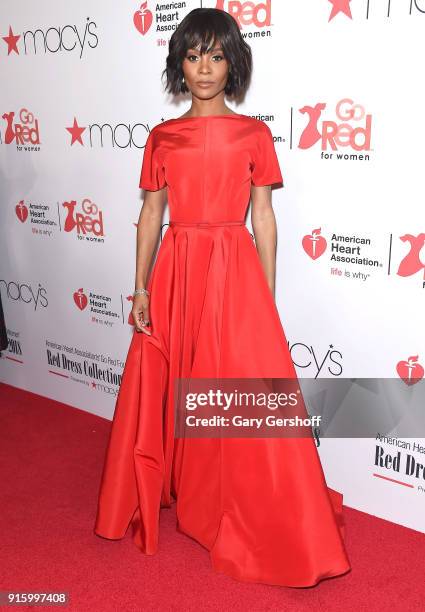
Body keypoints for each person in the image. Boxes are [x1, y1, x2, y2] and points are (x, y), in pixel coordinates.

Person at [94, 8, 351, 588]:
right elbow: (151, 215)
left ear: (233, 63)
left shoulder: (254, 133)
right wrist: (140, 286)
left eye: (215, 55)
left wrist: (263, 294)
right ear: (178, 65)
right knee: (180, 378)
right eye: (192, 55)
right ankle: (186, 488)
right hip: (177, 268)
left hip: (233, 268)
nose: (204, 68)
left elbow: (264, 216)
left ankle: (238, 504)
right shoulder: (162, 137)